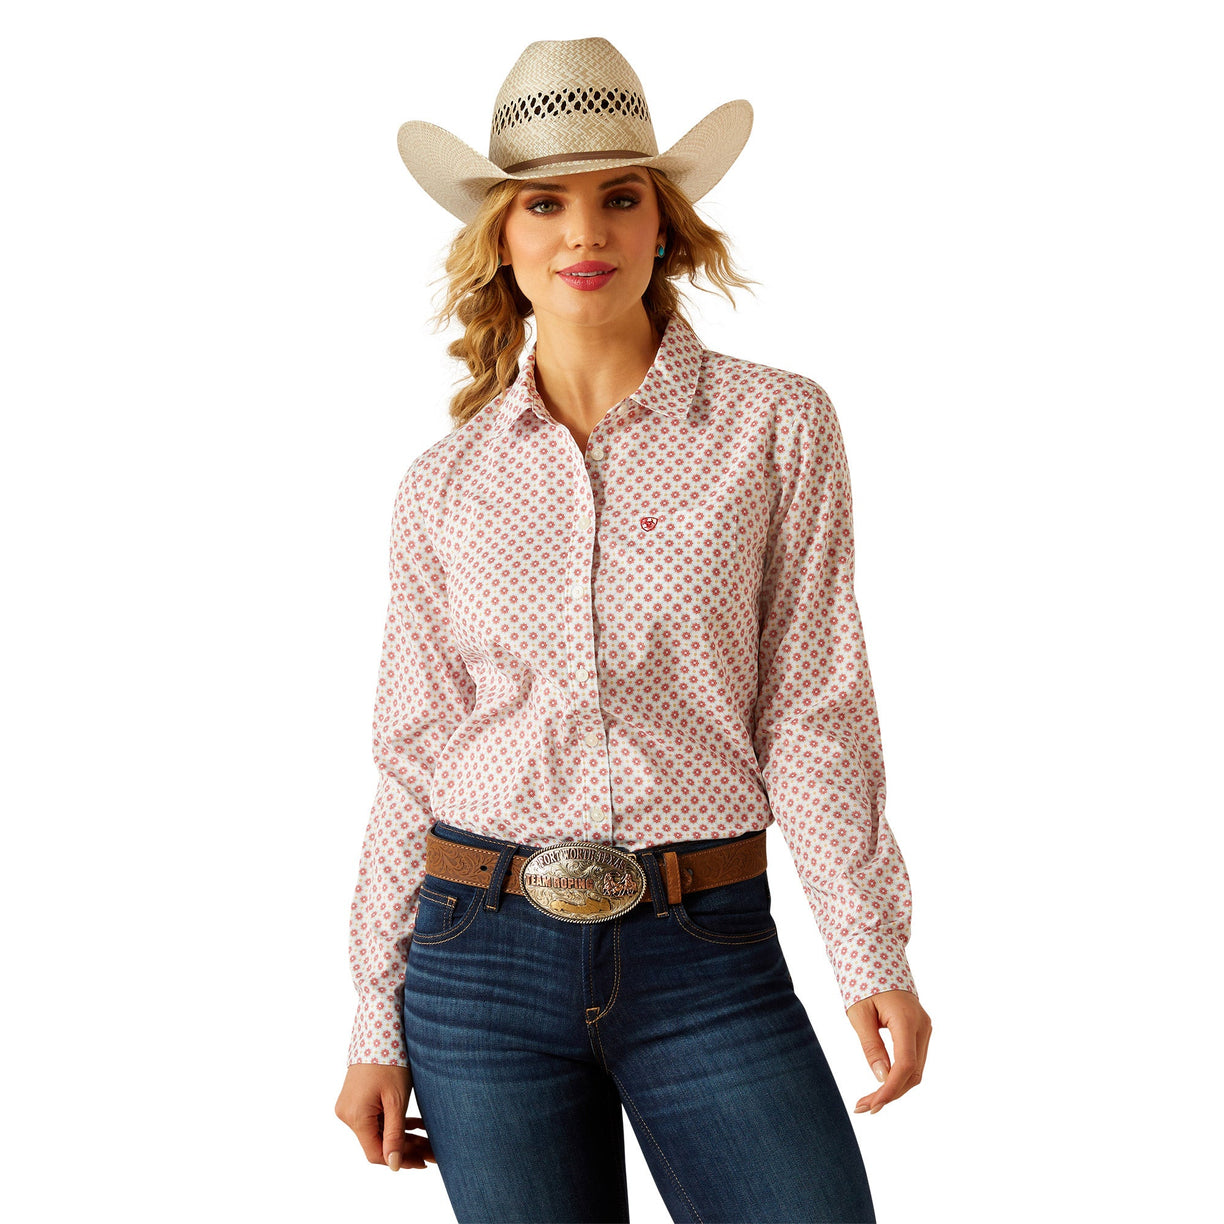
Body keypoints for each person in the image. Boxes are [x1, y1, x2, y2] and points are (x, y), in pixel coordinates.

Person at [334, 35, 932, 1224]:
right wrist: (371, 1018)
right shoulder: (442, 485)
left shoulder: (777, 428)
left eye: (621, 198)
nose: (584, 234)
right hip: (476, 959)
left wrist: (869, 951)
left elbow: (812, 710)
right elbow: (410, 758)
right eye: (544, 204)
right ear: (501, 237)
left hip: (705, 951)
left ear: (667, 226)